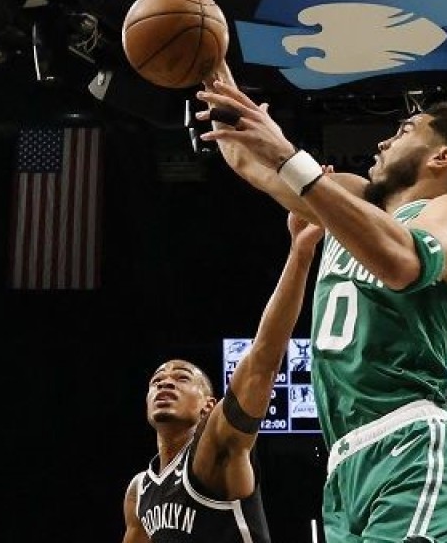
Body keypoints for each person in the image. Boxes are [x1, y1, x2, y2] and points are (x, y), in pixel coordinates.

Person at [195, 62, 447, 542]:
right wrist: (214, 73)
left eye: (404, 130)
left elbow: (403, 262)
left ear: (442, 157)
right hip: (345, 468)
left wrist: (292, 159)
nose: (383, 142)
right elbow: (247, 161)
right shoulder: (352, 199)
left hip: (413, 445)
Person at [120, 211, 324, 543]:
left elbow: (263, 360)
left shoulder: (214, 445)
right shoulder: (139, 491)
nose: (165, 383)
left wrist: (300, 254)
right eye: (157, 380)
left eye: (182, 378)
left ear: (208, 406)